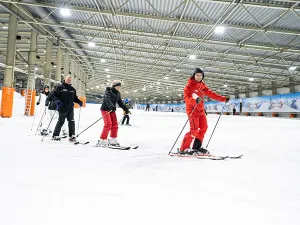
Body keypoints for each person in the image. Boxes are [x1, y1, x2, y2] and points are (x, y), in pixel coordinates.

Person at [179, 68, 229, 155]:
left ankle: (197, 146)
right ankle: (184, 148)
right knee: (194, 130)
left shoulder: (202, 85)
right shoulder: (188, 86)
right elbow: (187, 98)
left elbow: (211, 93)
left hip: (201, 111)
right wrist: (195, 101)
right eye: (197, 75)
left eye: (201, 75)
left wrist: (223, 99)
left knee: (203, 127)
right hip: (192, 110)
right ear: (194, 75)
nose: (199, 77)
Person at [97, 80, 130, 147]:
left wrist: (125, 109)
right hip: (105, 109)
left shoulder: (118, 93)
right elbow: (107, 100)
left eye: (119, 86)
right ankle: (102, 140)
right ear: (114, 86)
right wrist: (111, 106)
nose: (119, 87)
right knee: (108, 124)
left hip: (112, 110)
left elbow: (120, 103)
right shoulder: (108, 91)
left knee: (115, 124)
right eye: (118, 86)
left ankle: (113, 139)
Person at [51, 75, 83, 142]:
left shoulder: (72, 89)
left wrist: (79, 101)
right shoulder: (60, 87)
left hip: (70, 108)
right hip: (62, 108)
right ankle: (55, 135)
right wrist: (57, 101)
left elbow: (75, 99)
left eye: (70, 79)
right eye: (68, 79)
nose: (69, 80)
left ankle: (72, 135)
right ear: (65, 79)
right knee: (61, 121)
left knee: (71, 121)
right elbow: (53, 95)